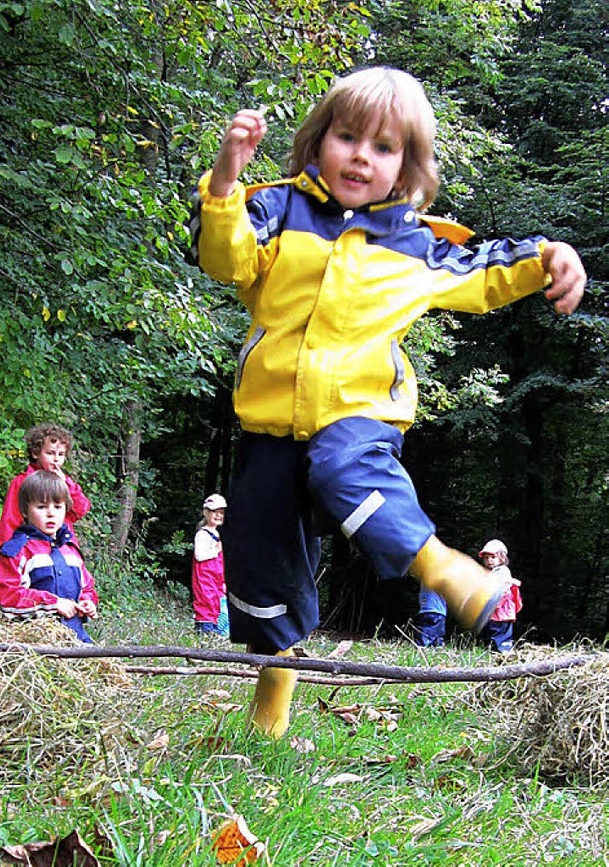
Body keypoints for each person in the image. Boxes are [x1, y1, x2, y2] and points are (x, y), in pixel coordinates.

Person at [191, 66, 586, 737]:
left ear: (406, 165)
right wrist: (226, 180)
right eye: (347, 137)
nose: (360, 156)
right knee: (260, 565)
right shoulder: (277, 209)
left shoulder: (415, 244)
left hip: (358, 414)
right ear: (318, 140)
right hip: (269, 424)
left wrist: (549, 256)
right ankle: (271, 708)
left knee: (348, 469)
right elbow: (223, 259)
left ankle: (445, 569)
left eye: (382, 147)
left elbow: (486, 271)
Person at [0, 470, 98, 642]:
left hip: (75, 637)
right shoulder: (19, 550)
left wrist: (88, 602)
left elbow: (87, 587)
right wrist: (53, 603)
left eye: (57, 507)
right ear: (25, 511)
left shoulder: (70, 549)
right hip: (34, 641)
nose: (51, 513)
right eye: (41, 507)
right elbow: (8, 595)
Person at [0, 423, 91, 548]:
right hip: (30, 546)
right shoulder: (23, 481)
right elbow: (10, 519)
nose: (56, 459)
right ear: (36, 453)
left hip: (61, 546)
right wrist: (6, 549)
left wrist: (67, 483)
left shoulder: (63, 482)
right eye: (50, 453)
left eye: (61, 454)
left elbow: (80, 510)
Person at [192, 493, 229, 636]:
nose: (218, 515)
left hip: (216, 580)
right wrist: (215, 550)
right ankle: (205, 634)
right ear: (206, 513)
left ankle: (218, 635)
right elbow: (199, 556)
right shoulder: (202, 534)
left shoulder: (217, 533)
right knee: (206, 605)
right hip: (205, 579)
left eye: (221, 513)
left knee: (219, 606)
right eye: (215, 512)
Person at [478, 539, 522, 653]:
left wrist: (495, 605)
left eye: (493, 557)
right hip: (494, 612)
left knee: (501, 635)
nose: (489, 561)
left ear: (502, 557)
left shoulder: (503, 572)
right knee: (492, 633)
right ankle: (494, 653)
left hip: (502, 611)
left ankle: (504, 654)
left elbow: (504, 590)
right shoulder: (491, 573)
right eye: (486, 558)